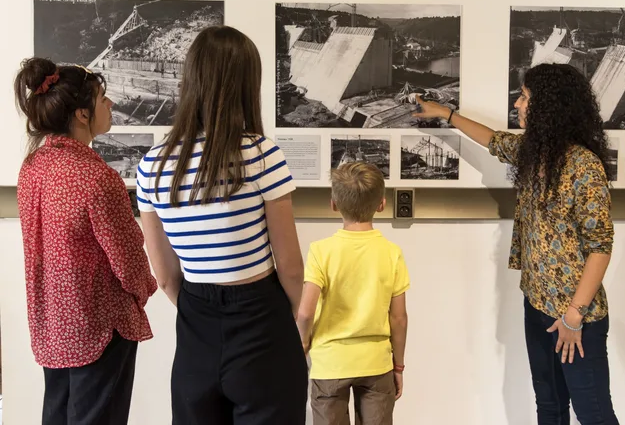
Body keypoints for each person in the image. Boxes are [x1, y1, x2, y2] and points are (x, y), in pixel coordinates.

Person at [415, 63, 619, 424]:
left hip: (576, 317)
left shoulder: (584, 166)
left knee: (595, 415)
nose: (518, 105)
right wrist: (445, 113)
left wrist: (573, 316)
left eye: (525, 98)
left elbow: (600, 246)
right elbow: (492, 139)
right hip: (538, 304)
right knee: (550, 407)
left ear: (549, 106)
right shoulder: (534, 150)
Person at [136, 26, 308, 424]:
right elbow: (291, 265)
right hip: (261, 319)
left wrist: (204, 311)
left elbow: (164, 277)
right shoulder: (259, 153)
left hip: (195, 322)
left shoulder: (153, 165)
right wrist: (299, 321)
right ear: (247, 82)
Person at [14, 57, 158, 424]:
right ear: (81, 114)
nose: (109, 105)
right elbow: (128, 259)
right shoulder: (97, 177)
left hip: (52, 326)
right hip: (99, 327)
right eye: (102, 98)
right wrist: (144, 290)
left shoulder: (32, 169)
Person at [296, 161, 410, 425]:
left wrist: (302, 348)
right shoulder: (392, 253)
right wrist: (399, 366)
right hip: (376, 363)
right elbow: (399, 318)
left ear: (333, 203)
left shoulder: (321, 251)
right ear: (382, 204)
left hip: (330, 364)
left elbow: (304, 312)